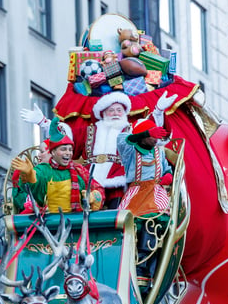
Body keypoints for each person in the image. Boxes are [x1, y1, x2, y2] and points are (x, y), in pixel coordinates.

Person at [21, 91, 177, 209]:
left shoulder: (130, 130)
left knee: (117, 209)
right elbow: (64, 137)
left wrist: (158, 111)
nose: (115, 114)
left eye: (119, 110)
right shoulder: (88, 130)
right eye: (111, 110)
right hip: (91, 176)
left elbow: (151, 132)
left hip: (119, 177)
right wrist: (43, 122)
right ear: (103, 113)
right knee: (86, 205)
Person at [115, 118, 174, 286]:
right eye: (152, 135)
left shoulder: (159, 151)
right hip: (136, 192)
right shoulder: (130, 150)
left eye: (156, 135)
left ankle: (149, 262)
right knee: (135, 222)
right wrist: (145, 132)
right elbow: (123, 139)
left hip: (155, 191)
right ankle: (139, 262)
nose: (156, 139)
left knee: (157, 219)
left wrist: (167, 176)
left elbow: (166, 168)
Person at [10, 118, 104, 214]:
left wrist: (92, 197)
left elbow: (98, 191)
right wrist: (29, 175)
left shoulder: (78, 172)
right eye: (63, 149)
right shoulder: (44, 170)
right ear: (53, 152)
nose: (68, 153)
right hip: (52, 223)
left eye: (70, 150)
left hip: (77, 220)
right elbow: (35, 183)